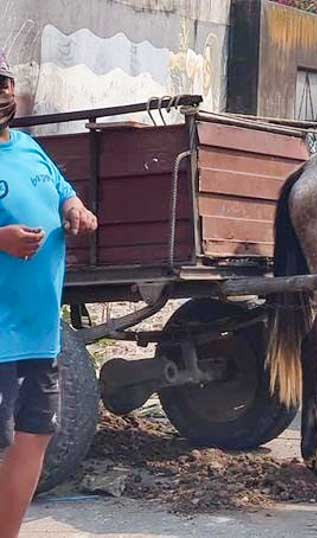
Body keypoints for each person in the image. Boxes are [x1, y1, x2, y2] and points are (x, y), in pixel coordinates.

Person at [0, 50, 97, 538]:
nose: (1, 94)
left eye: (4, 83)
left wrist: (76, 209)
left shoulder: (29, 147)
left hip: (39, 332)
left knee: (34, 436)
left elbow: (62, 191)